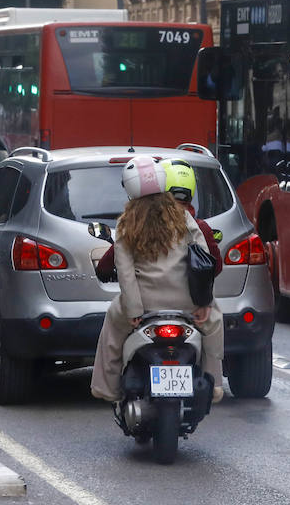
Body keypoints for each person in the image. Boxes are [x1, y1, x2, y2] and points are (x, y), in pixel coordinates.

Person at [90, 155, 225, 404]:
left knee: (112, 326)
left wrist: (133, 310)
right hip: (188, 302)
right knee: (214, 323)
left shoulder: (126, 224)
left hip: (145, 304)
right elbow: (204, 260)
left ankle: (106, 388)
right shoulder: (183, 218)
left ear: (129, 188)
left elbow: (126, 273)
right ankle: (215, 384)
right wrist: (204, 303)